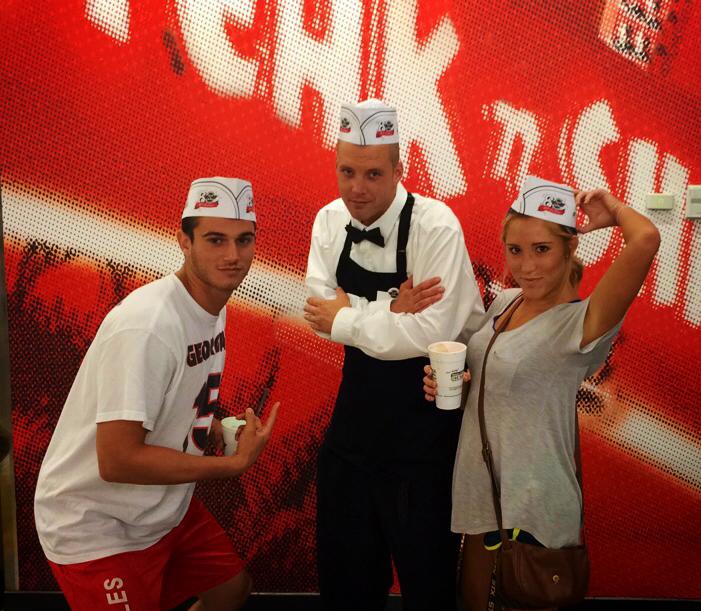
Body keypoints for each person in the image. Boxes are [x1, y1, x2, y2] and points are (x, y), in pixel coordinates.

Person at [34, 177, 279, 611]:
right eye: (216, 239)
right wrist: (231, 465)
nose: (233, 256)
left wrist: (218, 428)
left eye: (244, 240)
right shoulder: (147, 326)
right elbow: (118, 460)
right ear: (184, 241)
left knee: (230, 590)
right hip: (96, 525)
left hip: (160, 508)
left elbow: (171, 397)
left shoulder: (209, 304)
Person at [424, 177, 661, 611]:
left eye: (542, 249)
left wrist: (612, 209)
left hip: (534, 507)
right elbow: (493, 384)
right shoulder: (506, 302)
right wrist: (453, 385)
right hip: (483, 499)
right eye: (516, 250)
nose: (527, 266)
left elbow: (645, 239)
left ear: (570, 249)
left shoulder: (582, 323)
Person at [304, 99, 485, 611]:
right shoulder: (328, 221)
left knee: (429, 588)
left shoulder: (436, 226)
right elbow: (318, 313)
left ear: (399, 169)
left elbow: (431, 333)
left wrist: (351, 317)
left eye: (373, 174)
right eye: (347, 172)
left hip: (422, 441)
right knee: (347, 586)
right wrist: (393, 308)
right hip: (352, 435)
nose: (357, 188)